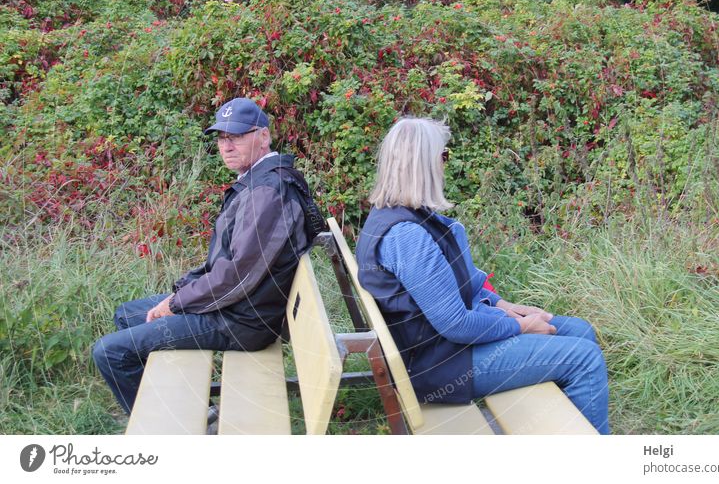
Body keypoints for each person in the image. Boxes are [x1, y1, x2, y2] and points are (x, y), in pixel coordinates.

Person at [355, 117, 610, 433]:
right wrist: (519, 326)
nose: (446, 163)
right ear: (422, 164)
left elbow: (458, 285)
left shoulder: (405, 216)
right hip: (442, 366)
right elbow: (457, 324)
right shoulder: (406, 236)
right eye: (443, 156)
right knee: (584, 359)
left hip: (443, 350)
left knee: (580, 330)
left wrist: (505, 307)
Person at [92, 98, 312, 415]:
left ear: (263, 136)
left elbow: (235, 276)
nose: (227, 146)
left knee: (109, 353)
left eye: (236, 136)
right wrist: (185, 289)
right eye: (222, 137)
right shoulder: (260, 182)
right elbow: (226, 262)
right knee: (127, 314)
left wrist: (176, 303)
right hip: (241, 308)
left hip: (242, 321)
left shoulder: (267, 192)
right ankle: (199, 411)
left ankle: (172, 427)